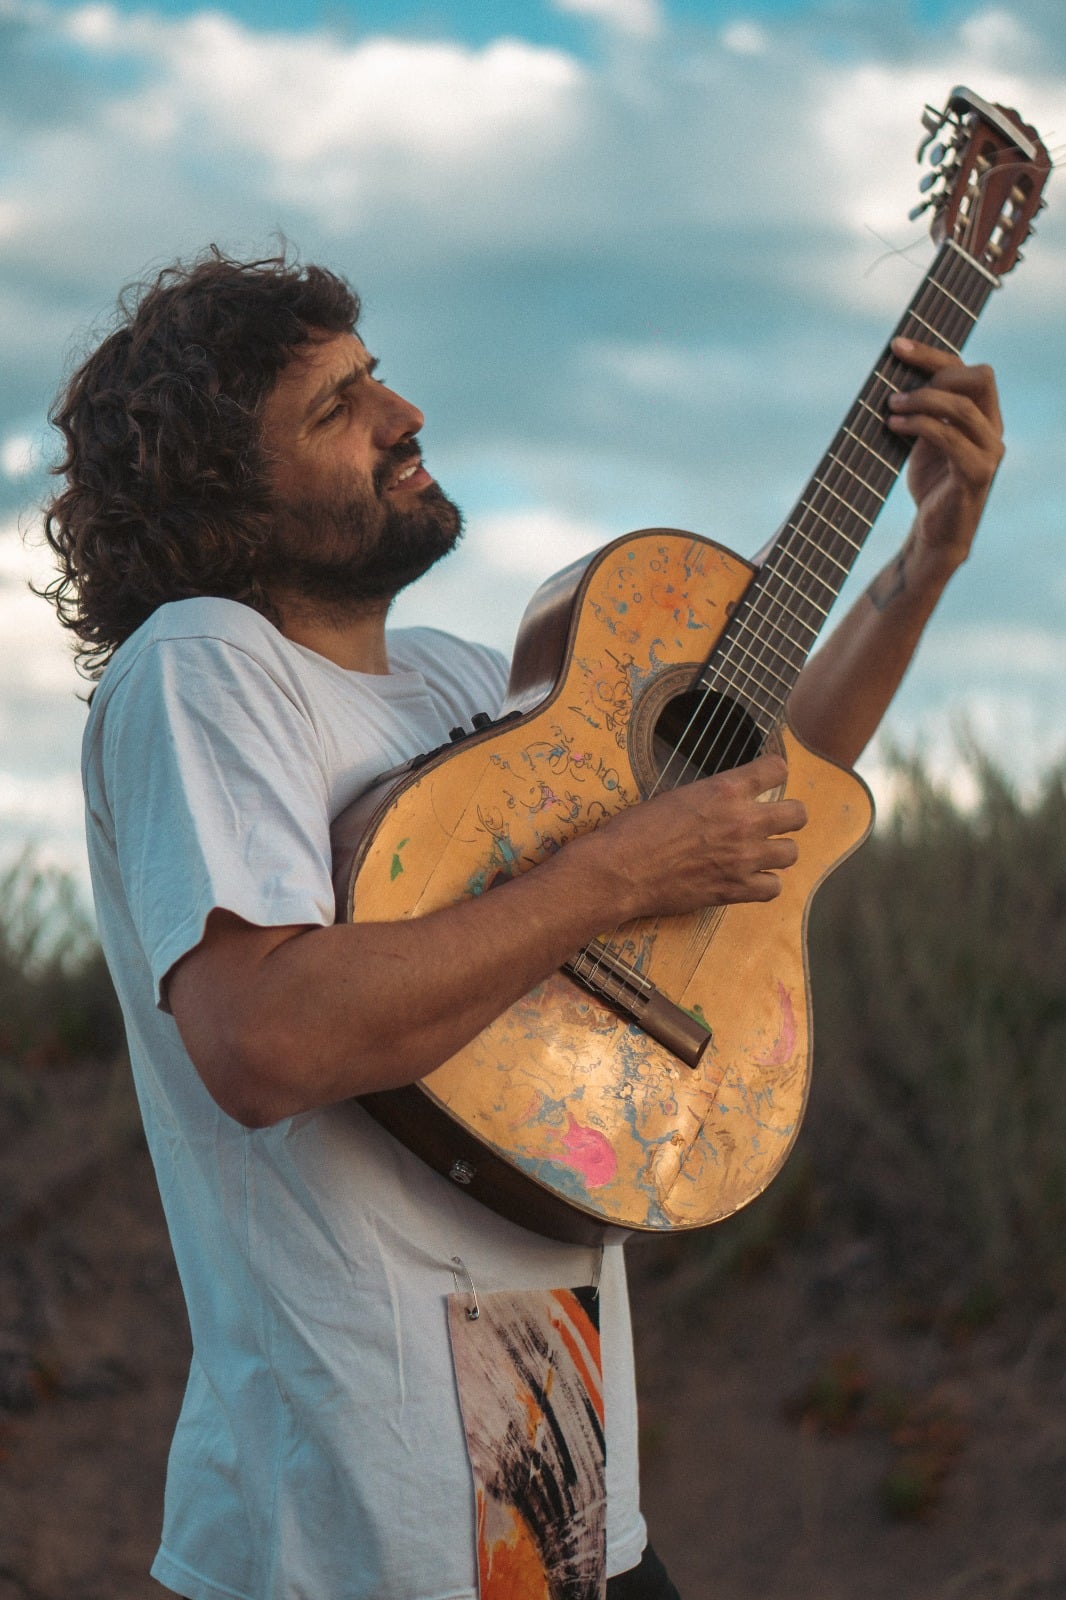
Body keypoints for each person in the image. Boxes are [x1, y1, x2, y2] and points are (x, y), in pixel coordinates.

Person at [41, 250, 1003, 1600]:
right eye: (335, 408)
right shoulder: (205, 661)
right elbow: (264, 1040)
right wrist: (613, 874)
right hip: (353, 1550)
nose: (404, 416)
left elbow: (751, 792)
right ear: (221, 495)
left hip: (560, 1517)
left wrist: (925, 558)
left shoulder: (455, 684)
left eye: (376, 379)